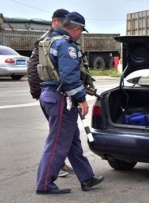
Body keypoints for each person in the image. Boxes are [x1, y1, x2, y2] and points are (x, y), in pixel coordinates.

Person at [36, 11, 104, 195]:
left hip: (49, 95)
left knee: (72, 141)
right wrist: (81, 99)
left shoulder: (48, 41)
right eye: (81, 31)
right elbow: (69, 76)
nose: (80, 34)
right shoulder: (66, 45)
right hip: (61, 98)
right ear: (76, 28)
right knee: (58, 142)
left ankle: (86, 178)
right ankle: (44, 184)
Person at [27, 8, 74, 178]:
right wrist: (38, 93)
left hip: (56, 95)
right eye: (64, 22)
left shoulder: (59, 39)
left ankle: (81, 172)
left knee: (67, 133)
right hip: (52, 94)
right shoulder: (46, 41)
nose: (67, 26)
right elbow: (33, 68)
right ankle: (55, 168)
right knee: (58, 135)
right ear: (54, 22)